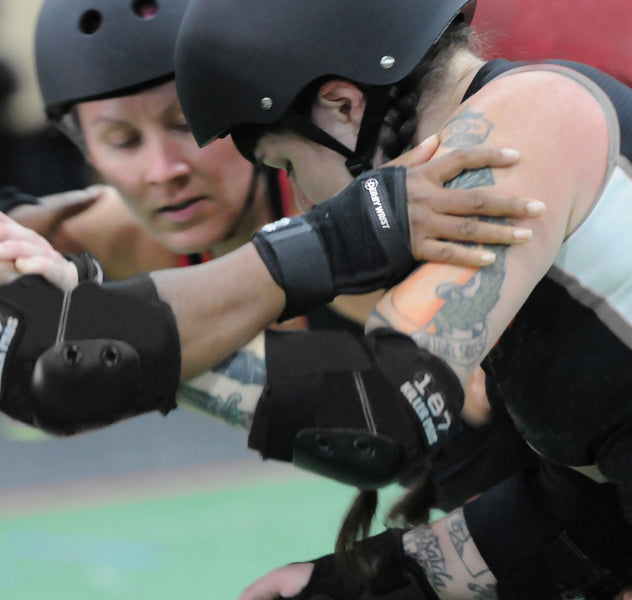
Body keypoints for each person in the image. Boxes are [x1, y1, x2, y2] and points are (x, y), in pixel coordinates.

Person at [161, 0, 632, 598]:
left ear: (342, 108)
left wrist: (116, 339)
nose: (304, 201)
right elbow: (577, 517)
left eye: (288, 164)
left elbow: (378, 417)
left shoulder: (530, 118)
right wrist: (352, 584)